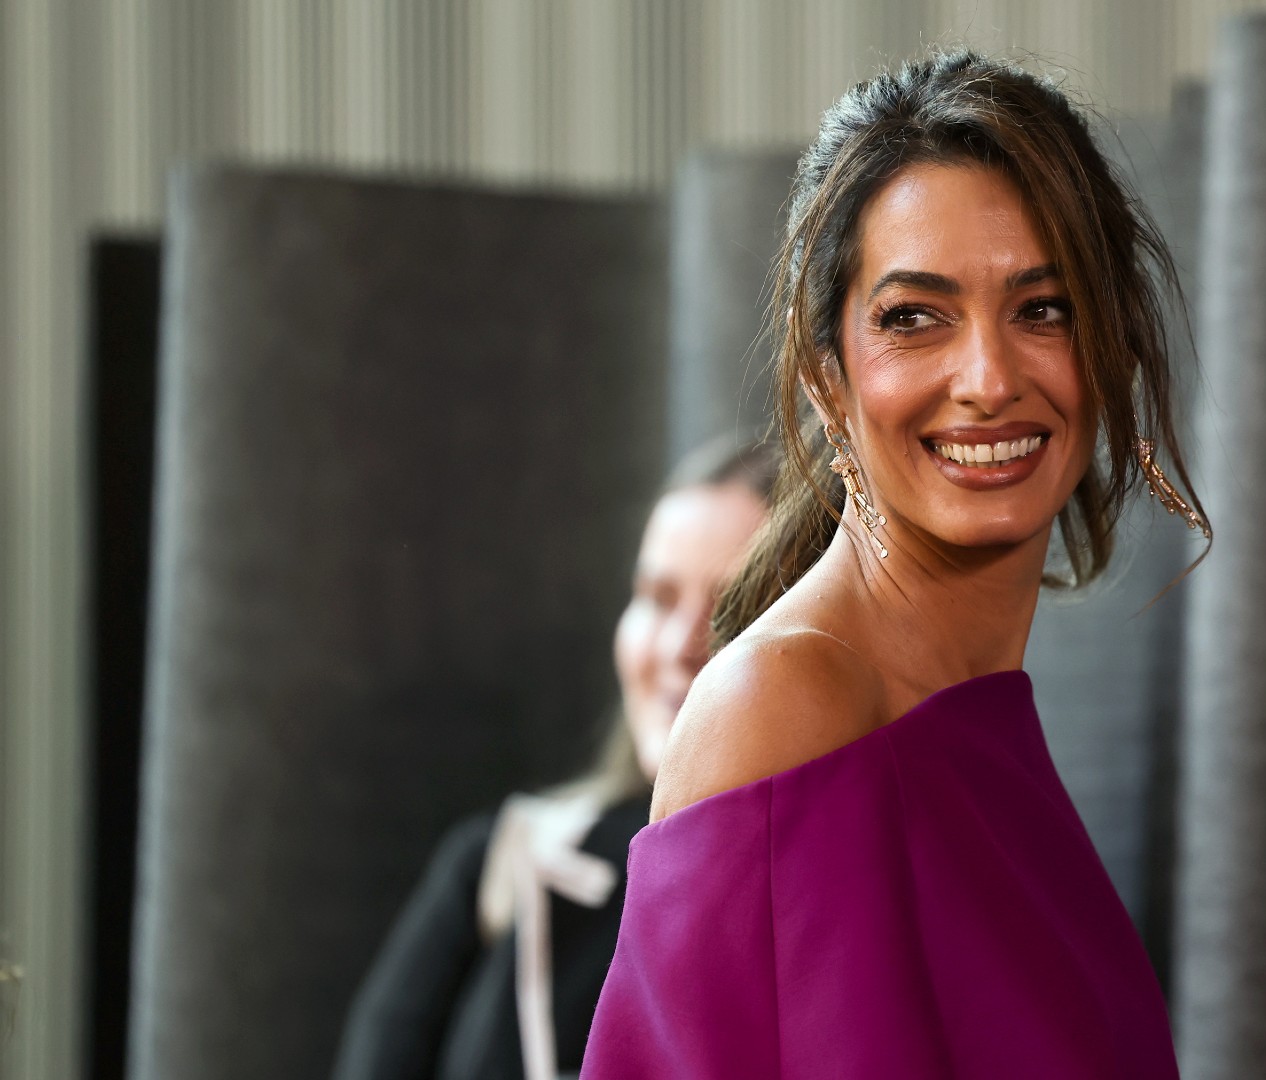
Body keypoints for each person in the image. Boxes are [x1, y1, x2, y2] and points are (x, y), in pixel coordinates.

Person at [580, 50, 1210, 1079]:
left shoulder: (982, 723)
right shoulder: (783, 709)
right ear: (828, 375)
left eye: (1041, 308)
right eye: (914, 317)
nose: (989, 377)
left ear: (1112, 345)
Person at [332, 439, 777, 1080]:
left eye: (732, 608)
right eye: (656, 597)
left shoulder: (852, 905)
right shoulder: (496, 863)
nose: (681, 644)